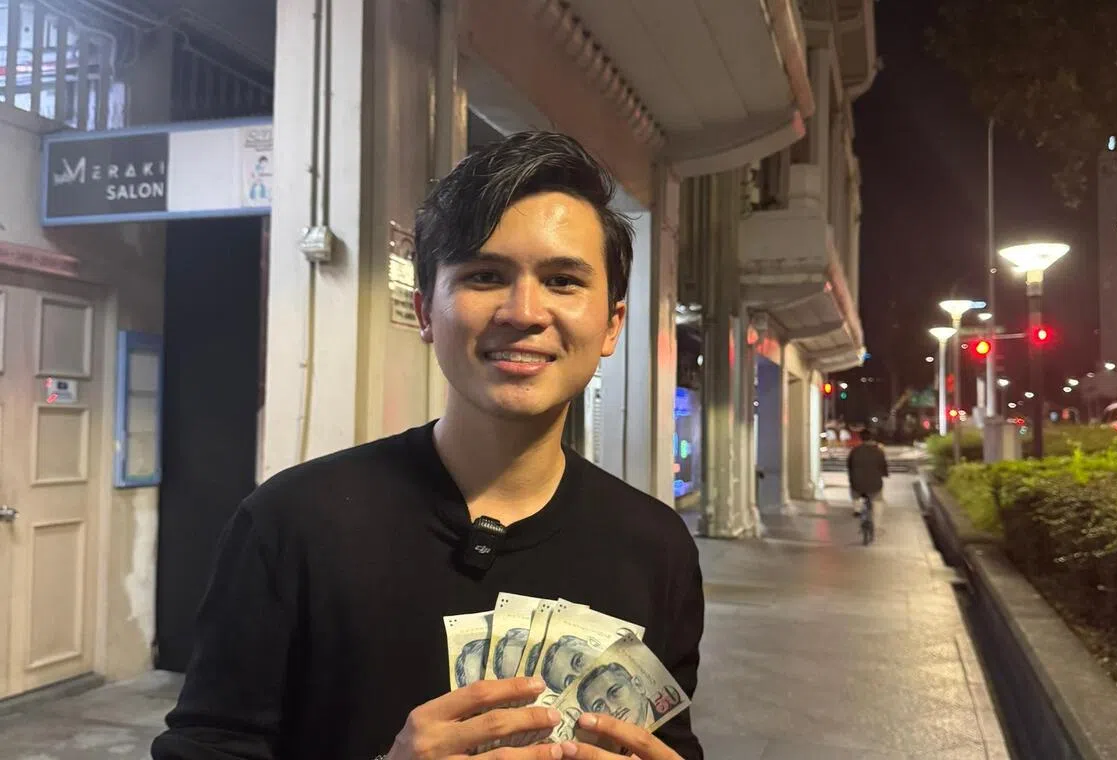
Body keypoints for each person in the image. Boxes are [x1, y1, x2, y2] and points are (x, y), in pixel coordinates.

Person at [151, 131, 704, 760]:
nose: (524, 311)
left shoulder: (656, 549)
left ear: (611, 324)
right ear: (424, 312)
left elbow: (670, 737)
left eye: (562, 280)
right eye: (485, 276)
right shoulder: (291, 524)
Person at [847, 429, 888, 522]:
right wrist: (884, 474)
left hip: (857, 484)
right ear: (871, 438)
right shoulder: (878, 451)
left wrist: (852, 478)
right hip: (875, 484)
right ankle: (877, 521)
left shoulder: (855, 451)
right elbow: (883, 466)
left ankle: (857, 510)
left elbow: (849, 466)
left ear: (861, 438)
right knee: (878, 499)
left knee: (854, 494)